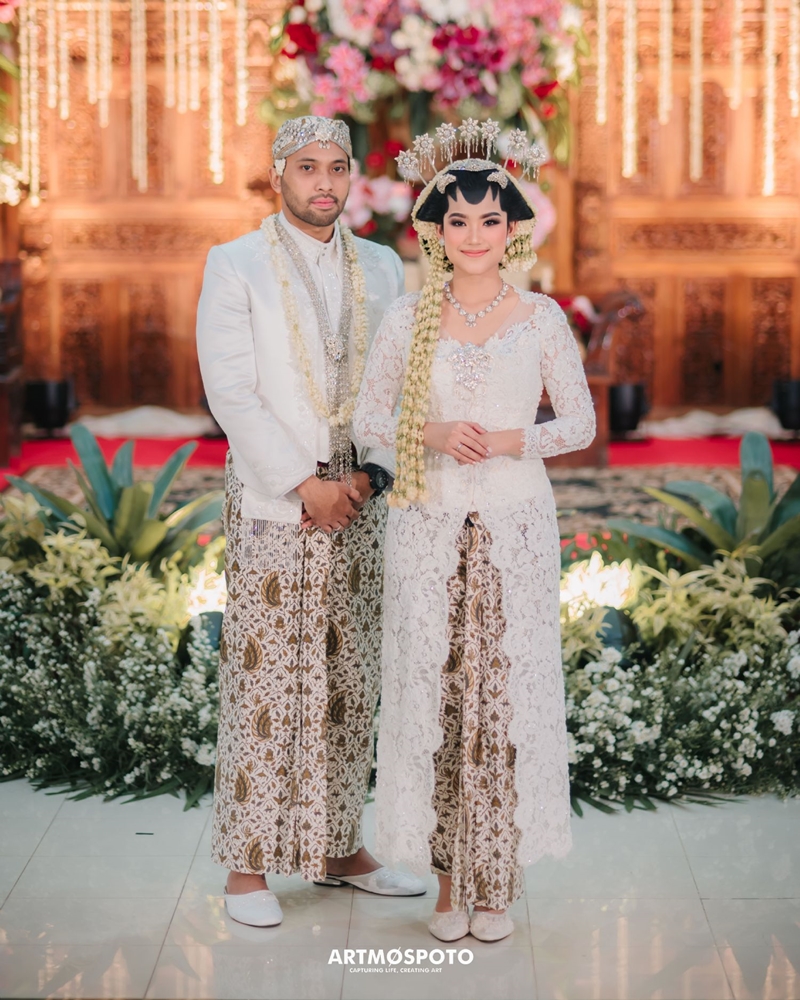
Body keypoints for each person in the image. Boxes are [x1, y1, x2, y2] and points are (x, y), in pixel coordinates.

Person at [353, 123, 596, 944]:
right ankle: (448, 885)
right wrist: (429, 431)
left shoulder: (540, 318)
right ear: (436, 230)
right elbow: (368, 419)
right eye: (458, 221)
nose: (474, 235)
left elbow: (580, 423)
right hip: (427, 532)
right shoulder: (408, 317)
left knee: (500, 701)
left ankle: (496, 884)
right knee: (441, 697)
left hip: (512, 529)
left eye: (490, 219)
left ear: (512, 227)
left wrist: (505, 440)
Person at [196, 115, 424, 929]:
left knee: (350, 678)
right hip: (276, 504)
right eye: (306, 167)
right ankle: (247, 867)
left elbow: (395, 382)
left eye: (336, 167)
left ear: (352, 174)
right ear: (278, 176)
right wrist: (303, 485)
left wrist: (366, 476)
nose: (323, 182)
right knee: (267, 679)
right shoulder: (236, 264)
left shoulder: (381, 264)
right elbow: (231, 391)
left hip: (358, 503)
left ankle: (337, 848)